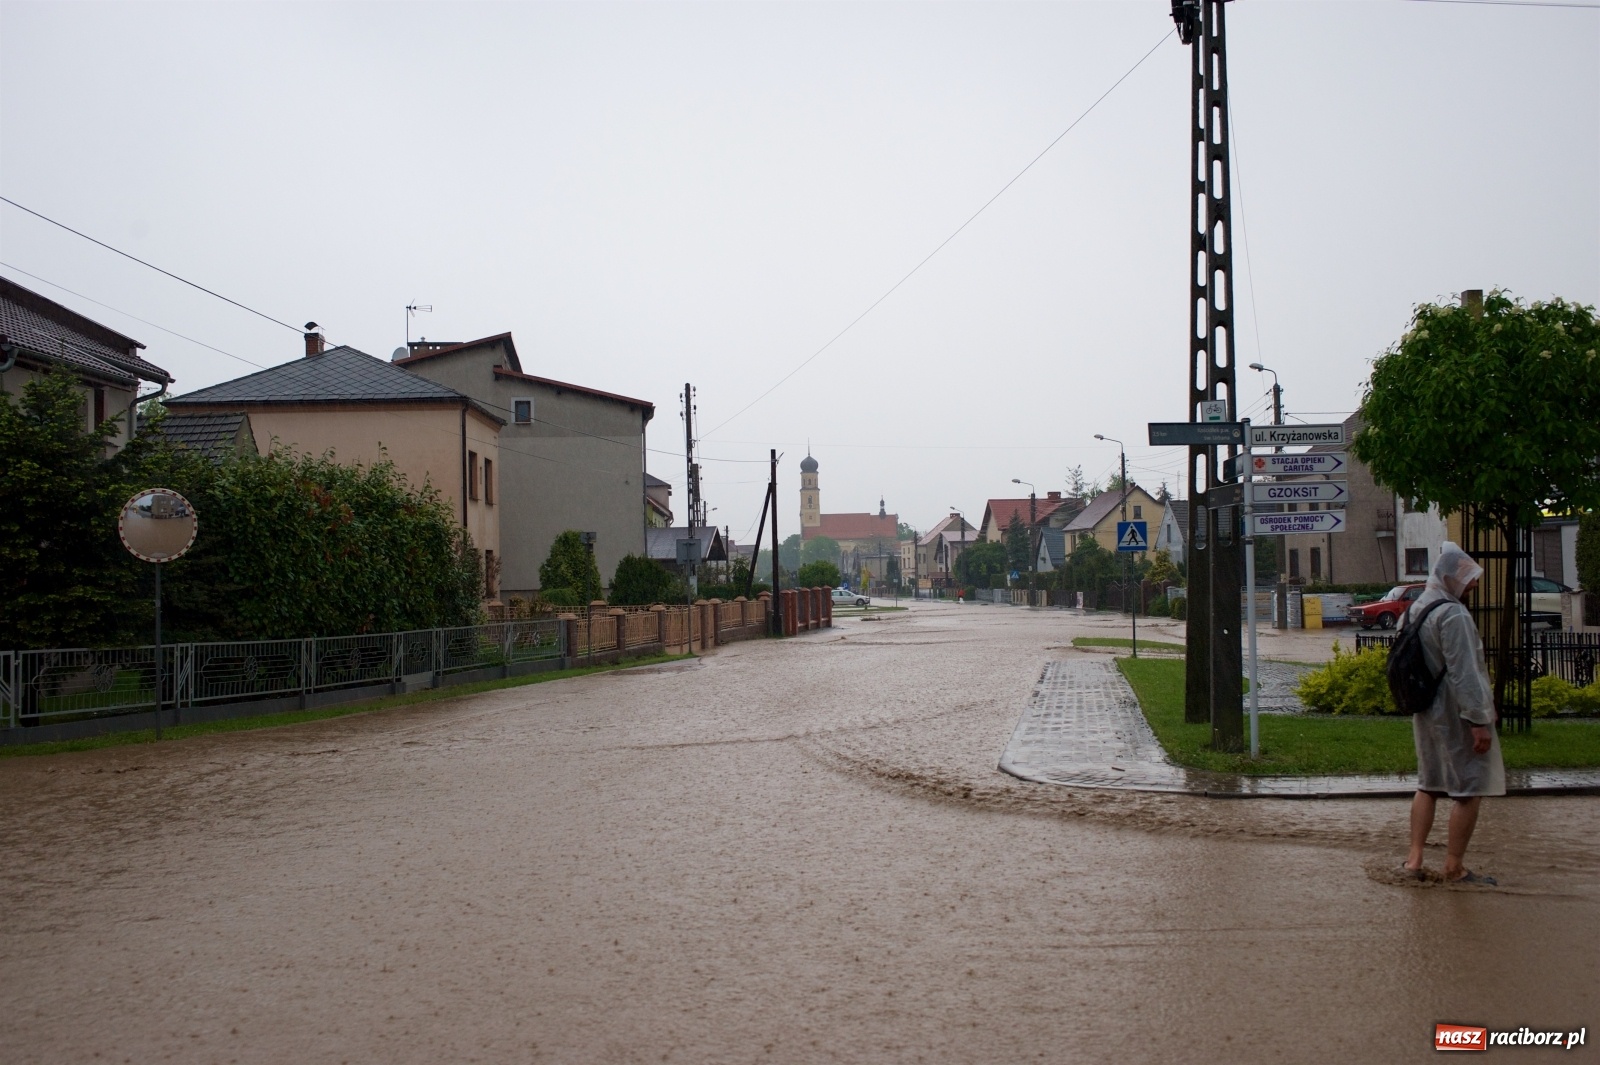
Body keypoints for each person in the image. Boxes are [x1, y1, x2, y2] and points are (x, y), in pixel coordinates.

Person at [1401, 542, 1505, 885]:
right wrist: (1478, 720)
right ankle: (1454, 866)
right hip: (1454, 710)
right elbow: (1465, 671)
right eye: (1469, 578)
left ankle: (1413, 861)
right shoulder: (1454, 614)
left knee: (1428, 783)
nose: (1473, 585)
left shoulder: (1417, 608)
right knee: (1468, 787)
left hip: (1426, 708)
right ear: (1451, 577)